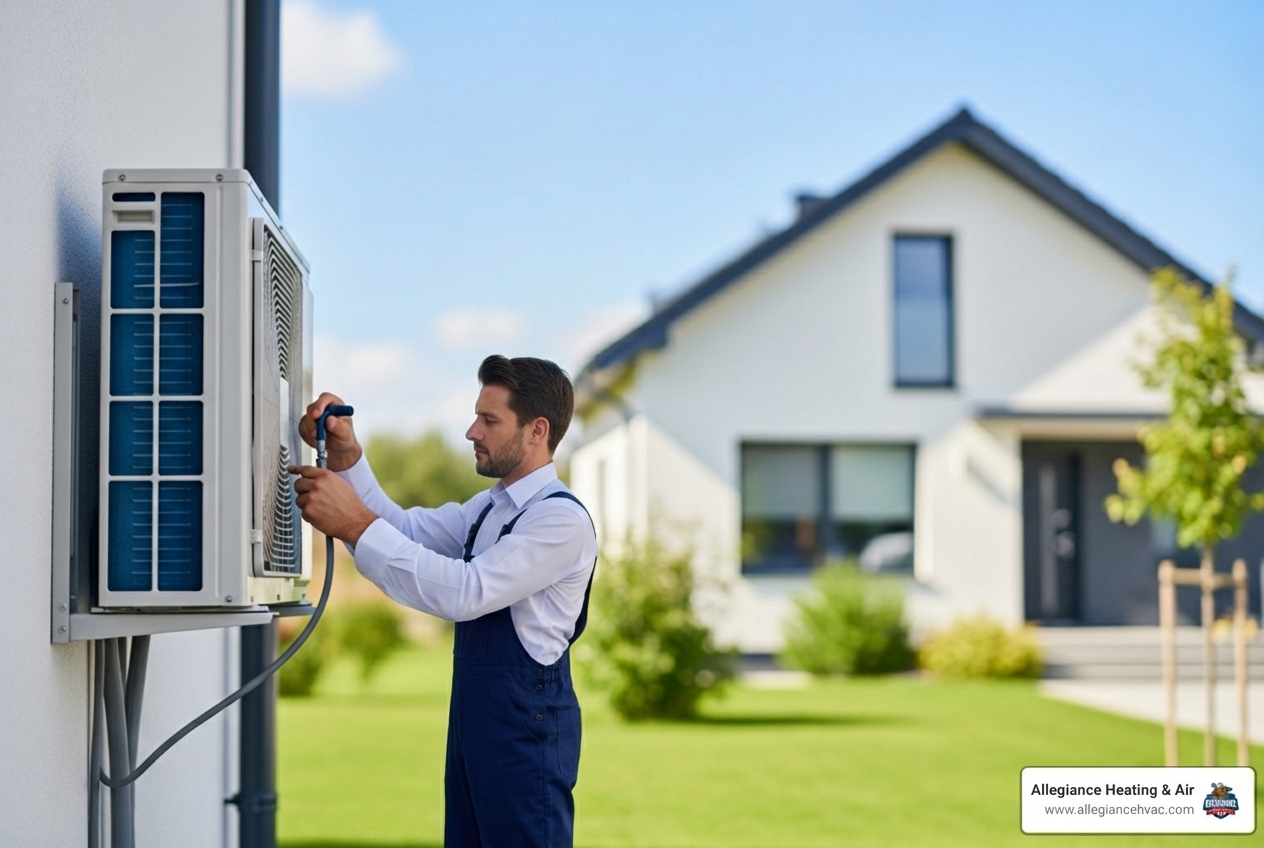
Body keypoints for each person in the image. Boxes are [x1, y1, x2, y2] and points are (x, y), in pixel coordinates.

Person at [291, 355, 597, 848]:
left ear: (538, 430)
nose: (472, 431)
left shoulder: (559, 521)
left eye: (490, 420)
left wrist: (352, 523)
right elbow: (405, 530)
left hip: (526, 744)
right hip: (476, 733)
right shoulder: (490, 507)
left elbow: (466, 592)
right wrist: (348, 461)